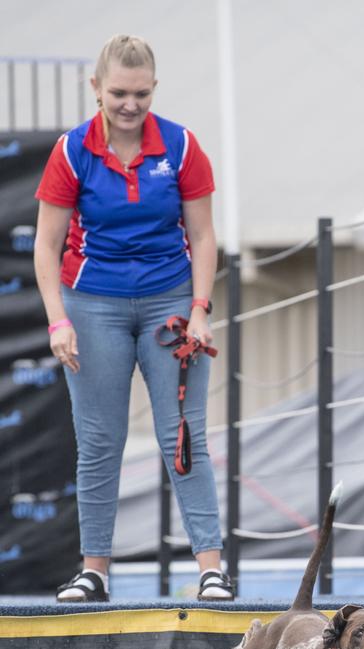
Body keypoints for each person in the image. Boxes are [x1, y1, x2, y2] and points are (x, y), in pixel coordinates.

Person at [33, 34, 232, 603]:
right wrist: (57, 322)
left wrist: (199, 310)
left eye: (141, 94)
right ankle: (94, 570)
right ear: (96, 88)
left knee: (182, 434)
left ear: (154, 90)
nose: (129, 104)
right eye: (118, 92)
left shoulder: (182, 145)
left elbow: (202, 233)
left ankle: (211, 570)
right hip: (91, 303)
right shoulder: (72, 152)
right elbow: (46, 247)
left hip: (169, 300)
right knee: (100, 439)